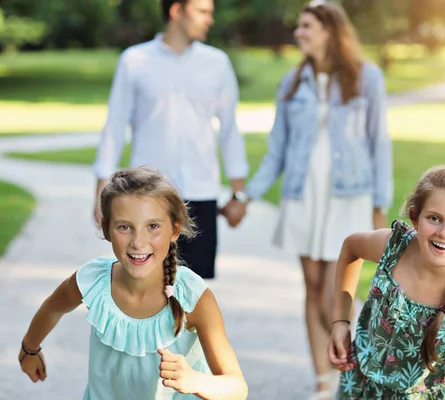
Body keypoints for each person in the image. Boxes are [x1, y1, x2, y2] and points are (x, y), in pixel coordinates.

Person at [235, 1, 392, 398]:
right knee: (311, 285)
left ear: (329, 29)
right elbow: (277, 151)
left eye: (306, 26)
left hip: (348, 197)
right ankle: (324, 381)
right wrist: (247, 195)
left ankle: (354, 370)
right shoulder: (291, 83)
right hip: (304, 196)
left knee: (335, 293)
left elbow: (379, 143)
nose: (299, 33)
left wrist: (380, 204)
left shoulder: (366, 78)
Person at [19, 167, 248, 400]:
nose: (139, 242)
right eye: (124, 227)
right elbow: (53, 307)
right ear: (106, 228)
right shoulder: (92, 281)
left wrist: (195, 381)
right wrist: (29, 349)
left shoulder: (193, 296)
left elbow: (237, 389)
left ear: (175, 229)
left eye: (153, 226)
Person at [328, 166, 445, 399]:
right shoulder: (394, 249)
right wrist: (340, 321)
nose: (444, 232)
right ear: (415, 219)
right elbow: (351, 247)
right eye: (434, 218)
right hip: (358, 388)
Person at [92, 0, 250, 280]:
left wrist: (238, 194)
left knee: (195, 290)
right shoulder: (134, 61)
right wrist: (100, 193)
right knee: (147, 284)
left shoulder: (217, 63)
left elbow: (230, 130)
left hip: (201, 195)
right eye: (202, 12)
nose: (209, 20)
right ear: (177, 11)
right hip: (147, 195)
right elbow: (114, 128)